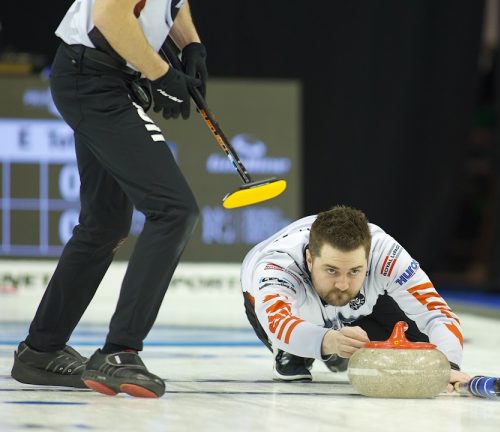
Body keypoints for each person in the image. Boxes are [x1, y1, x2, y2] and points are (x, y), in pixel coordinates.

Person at [10, 0, 208, 398]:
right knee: (173, 210)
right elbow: (109, 15)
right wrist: (163, 73)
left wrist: (190, 46)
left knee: (105, 222)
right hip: (95, 77)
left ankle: (41, 349)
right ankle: (120, 352)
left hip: (101, 76)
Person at [241, 205, 469, 389]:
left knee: (424, 346)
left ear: (368, 259)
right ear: (310, 260)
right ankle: (296, 350)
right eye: (331, 270)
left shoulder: (387, 255)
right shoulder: (277, 265)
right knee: (293, 345)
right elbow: (277, 322)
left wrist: (447, 365)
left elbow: (437, 313)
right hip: (291, 305)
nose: (342, 284)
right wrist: (330, 341)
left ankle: (336, 346)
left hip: (361, 304)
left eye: (354, 271)